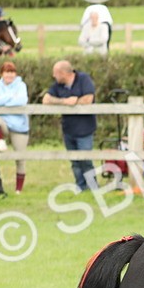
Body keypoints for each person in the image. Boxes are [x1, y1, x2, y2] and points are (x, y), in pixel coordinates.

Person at [42, 60, 97, 192]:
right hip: (68, 129)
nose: (54, 76)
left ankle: (93, 187)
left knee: (85, 160)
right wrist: (64, 101)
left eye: (55, 73)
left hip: (85, 128)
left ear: (63, 73)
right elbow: (46, 100)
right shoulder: (58, 85)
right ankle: (81, 186)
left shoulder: (84, 79)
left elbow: (88, 99)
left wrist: (76, 101)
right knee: (74, 161)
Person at [0, 61, 30, 193]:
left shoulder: (21, 86)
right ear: (2, 74)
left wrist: (3, 102)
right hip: (3, 122)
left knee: (20, 158)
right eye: (7, 72)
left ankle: (18, 190)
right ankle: (0, 141)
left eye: (12, 72)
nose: (9, 75)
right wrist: (10, 97)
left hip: (19, 126)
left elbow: (21, 101)